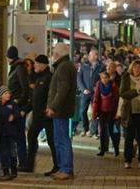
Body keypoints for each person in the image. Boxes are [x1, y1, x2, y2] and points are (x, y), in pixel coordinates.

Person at [46, 43, 77, 181]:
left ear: (57, 54)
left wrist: (53, 106)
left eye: (53, 53)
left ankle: (66, 169)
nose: (52, 55)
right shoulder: (66, 65)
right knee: (60, 139)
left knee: (62, 139)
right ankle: (62, 168)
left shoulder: (63, 67)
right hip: (61, 109)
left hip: (61, 110)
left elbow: (62, 90)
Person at [26, 55, 57, 175]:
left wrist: (49, 108)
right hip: (37, 115)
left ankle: (57, 165)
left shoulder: (49, 77)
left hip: (46, 115)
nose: (34, 66)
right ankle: (29, 165)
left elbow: (51, 95)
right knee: (31, 136)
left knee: (51, 141)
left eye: (36, 64)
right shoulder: (38, 77)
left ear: (43, 65)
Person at [6, 45, 30, 170]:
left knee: (19, 135)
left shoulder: (19, 68)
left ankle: (23, 162)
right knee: (17, 135)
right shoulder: (16, 67)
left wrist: (18, 101)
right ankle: (20, 161)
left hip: (17, 107)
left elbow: (24, 88)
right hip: (14, 105)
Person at [92, 71, 120, 157]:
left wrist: (117, 113)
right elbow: (96, 99)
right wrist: (94, 112)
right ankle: (102, 150)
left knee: (112, 131)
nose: (104, 79)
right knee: (102, 132)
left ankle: (116, 149)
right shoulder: (99, 85)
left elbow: (117, 100)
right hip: (102, 112)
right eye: (102, 78)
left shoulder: (113, 86)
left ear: (109, 78)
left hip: (111, 111)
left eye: (105, 77)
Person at [0, 85, 22, 178]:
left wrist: (14, 117)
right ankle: (5, 170)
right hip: (1, 132)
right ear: (0, 95)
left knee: (12, 151)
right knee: (3, 151)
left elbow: (17, 114)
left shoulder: (13, 104)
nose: (8, 95)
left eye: (9, 93)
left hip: (11, 132)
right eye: (6, 93)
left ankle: (14, 169)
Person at [78, 49, 103, 137]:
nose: (90, 57)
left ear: (96, 56)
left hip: (96, 93)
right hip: (85, 92)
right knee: (82, 111)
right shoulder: (84, 65)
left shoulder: (101, 66)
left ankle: (93, 131)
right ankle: (86, 129)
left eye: (92, 55)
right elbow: (79, 78)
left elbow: (102, 79)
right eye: (90, 55)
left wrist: (98, 88)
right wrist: (83, 89)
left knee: (95, 112)